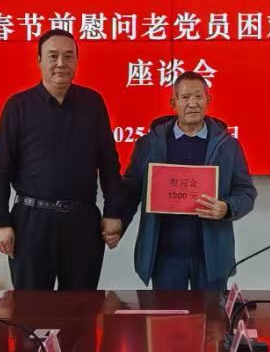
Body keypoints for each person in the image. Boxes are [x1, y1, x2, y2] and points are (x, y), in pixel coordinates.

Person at [0, 29, 124, 290]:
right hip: (31, 222)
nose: (61, 63)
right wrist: (0, 222)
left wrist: (113, 212)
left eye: (68, 56)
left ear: (77, 61)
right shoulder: (18, 106)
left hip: (82, 220)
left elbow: (109, 162)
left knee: (81, 306)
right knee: (31, 307)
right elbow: (0, 169)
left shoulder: (92, 103)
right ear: (39, 60)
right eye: (53, 56)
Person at [109, 71, 256, 290]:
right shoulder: (150, 144)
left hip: (211, 256)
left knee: (211, 312)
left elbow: (246, 192)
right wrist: (117, 223)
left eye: (199, 96)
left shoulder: (228, 146)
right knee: (167, 312)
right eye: (185, 97)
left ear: (209, 100)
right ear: (173, 103)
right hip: (164, 255)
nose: (192, 103)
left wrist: (227, 207)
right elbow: (130, 191)